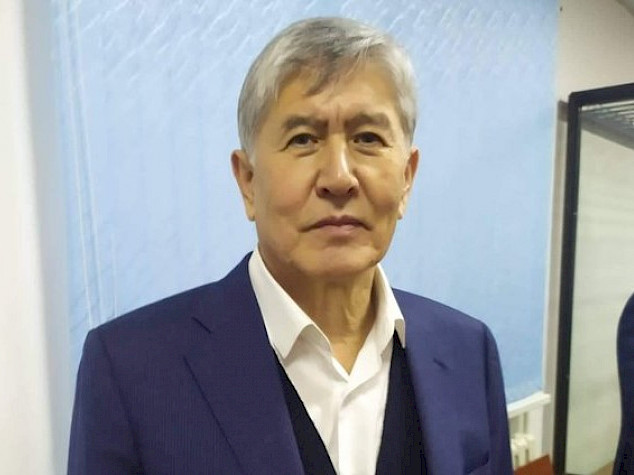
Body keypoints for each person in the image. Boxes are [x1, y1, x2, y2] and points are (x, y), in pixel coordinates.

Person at [68, 17, 513, 475]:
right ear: (247, 181)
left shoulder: (468, 352)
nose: (339, 177)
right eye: (303, 139)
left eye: (367, 138)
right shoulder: (131, 370)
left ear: (407, 179)